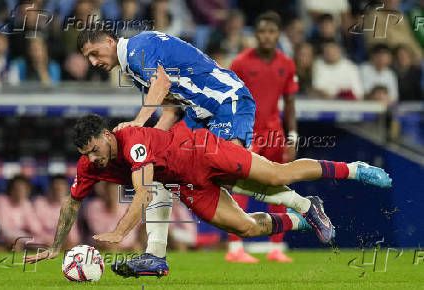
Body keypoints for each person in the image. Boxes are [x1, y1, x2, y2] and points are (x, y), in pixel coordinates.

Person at [25, 114, 392, 278]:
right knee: (244, 229)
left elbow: (140, 193)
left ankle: (354, 168)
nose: (93, 158)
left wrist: (121, 233)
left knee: (278, 174)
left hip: (201, 150)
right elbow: (73, 201)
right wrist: (57, 246)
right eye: (86, 154)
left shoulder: (131, 141)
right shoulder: (90, 166)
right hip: (186, 183)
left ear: (106, 135)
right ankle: (303, 216)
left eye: (95, 149)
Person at [76, 26, 260, 275]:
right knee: (162, 172)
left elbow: (161, 84)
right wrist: (151, 145)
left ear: (109, 41)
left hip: (224, 101)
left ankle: (297, 201)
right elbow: (171, 108)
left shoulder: (135, 50)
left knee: (228, 173)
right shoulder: (134, 64)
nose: (93, 62)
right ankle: (155, 254)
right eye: (88, 58)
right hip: (199, 113)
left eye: (94, 53)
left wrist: (137, 124)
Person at [229, 11, 298, 263]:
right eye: (262, 32)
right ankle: (235, 248)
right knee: (241, 187)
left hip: (275, 134)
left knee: (277, 187)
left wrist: (292, 136)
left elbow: (290, 103)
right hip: (247, 134)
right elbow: (231, 100)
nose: (267, 36)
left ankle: (276, 248)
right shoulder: (240, 63)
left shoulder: (287, 64)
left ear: (278, 34)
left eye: (271, 31)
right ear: (255, 35)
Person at [34, 175, 81, 249]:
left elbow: (73, 234)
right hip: (41, 242)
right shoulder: (39, 202)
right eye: (55, 188)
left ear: (66, 189)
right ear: (49, 189)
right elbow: (36, 230)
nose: (58, 190)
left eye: (61, 188)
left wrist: (71, 242)